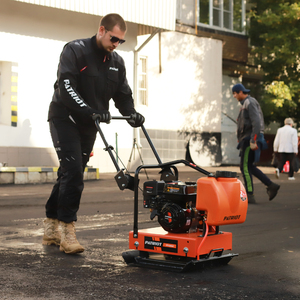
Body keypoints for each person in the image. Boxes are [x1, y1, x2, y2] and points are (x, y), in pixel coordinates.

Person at [42, 13, 145, 254]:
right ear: (101, 30)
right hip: (64, 117)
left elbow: (122, 95)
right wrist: (89, 110)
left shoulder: (117, 63)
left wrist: (132, 114)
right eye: (113, 38)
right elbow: (66, 87)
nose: (116, 44)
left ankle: (50, 224)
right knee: (74, 171)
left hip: (90, 124)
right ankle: (67, 230)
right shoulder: (75, 51)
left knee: (70, 171)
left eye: (121, 41)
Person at [232, 83, 280, 204]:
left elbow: (256, 122)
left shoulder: (249, 102)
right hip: (247, 139)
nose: (234, 96)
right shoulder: (246, 104)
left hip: (249, 140)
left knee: (245, 167)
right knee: (249, 167)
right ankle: (271, 185)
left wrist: (253, 139)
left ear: (240, 92)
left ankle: (249, 195)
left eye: (235, 93)